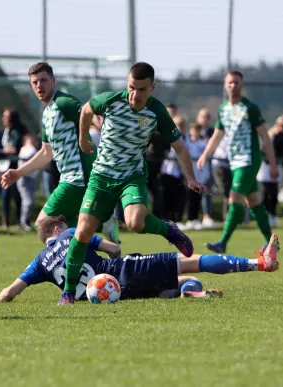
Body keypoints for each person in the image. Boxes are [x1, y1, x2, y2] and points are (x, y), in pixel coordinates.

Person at [59, 62, 207, 305]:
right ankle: (68, 291)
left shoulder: (156, 111)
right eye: (131, 88)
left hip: (132, 176)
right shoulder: (110, 101)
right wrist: (83, 139)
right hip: (101, 177)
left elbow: (179, 147)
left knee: (135, 222)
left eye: (141, 89)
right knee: (84, 231)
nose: (135, 95)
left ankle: (167, 229)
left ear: (152, 88)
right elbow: (86, 110)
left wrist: (191, 178)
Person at [0, 216, 279, 303]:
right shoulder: (72, 233)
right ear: (58, 229)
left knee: (179, 282)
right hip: (122, 270)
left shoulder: (39, 262)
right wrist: (107, 243)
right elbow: (114, 249)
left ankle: (192, 292)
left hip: (118, 295)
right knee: (192, 261)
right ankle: (258, 263)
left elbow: (8, 293)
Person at [1, 62, 120, 242]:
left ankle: (101, 228)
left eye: (43, 80)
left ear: (53, 81)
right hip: (70, 178)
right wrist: (18, 172)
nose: (39, 85)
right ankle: (101, 238)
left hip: (79, 177)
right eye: (35, 82)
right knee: (70, 230)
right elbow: (46, 153)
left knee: (44, 224)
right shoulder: (47, 114)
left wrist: (104, 126)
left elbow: (89, 114)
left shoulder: (63, 102)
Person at [197, 70, 278, 253]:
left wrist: (272, 163)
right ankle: (270, 241)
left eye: (237, 82)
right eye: (230, 82)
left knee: (234, 198)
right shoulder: (223, 109)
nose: (233, 85)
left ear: (242, 85)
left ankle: (223, 242)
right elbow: (217, 135)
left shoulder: (250, 108)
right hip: (234, 161)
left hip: (249, 160)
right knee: (254, 201)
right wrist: (205, 155)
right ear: (225, 85)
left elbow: (264, 136)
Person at [257, 115, 283, 227]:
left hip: (278, 166)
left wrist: (281, 162)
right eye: (282, 125)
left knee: (274, 192)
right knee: (267, 191)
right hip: (267, 166)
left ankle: (272, 215)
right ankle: (264, 216)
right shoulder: (272, 135)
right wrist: (272, 165)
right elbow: (266, 151)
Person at [0, 108, 25, 230]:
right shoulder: (5, 130)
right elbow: (1, 148)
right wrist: (4, 151)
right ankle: (6, 222)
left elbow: (16, 148)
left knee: (18, 195)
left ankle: (21, 220)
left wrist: (10, 149)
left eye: (6, 117)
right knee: (5, 195)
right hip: (5, 165)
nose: (3, 119)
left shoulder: (20, 130)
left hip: (17, 166)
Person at [184, 123, 209, 229]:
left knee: (198, 197)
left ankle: (195, 219)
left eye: (198, 130)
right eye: (194, 130)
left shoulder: (202, 144)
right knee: (189, 198)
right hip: (190, 174)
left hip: (200, 175)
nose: (195, 133)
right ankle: (189, 219)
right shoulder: (186, 143)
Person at [17, 134, 39, 230]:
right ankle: (23, 222)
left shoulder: (34, 149)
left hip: (32, 179)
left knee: (30, 202)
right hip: (24, 179)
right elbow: (29, 154)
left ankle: (25, 222)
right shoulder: (25, 149)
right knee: (28, 202)